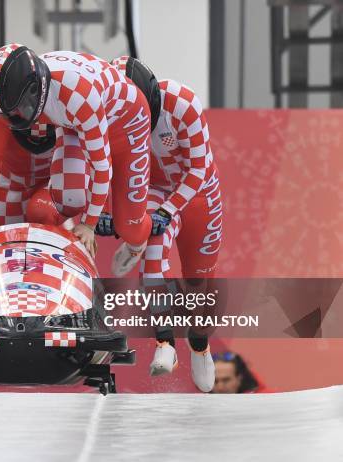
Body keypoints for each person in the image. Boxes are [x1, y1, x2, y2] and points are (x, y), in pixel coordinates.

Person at [100, 56, 224, 392]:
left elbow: (197, 168)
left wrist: (169, 210)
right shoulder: (110, 120)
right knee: (154, 258)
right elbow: (108, 170)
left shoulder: (183, 104)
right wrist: (105, 212)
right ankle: (165, 342)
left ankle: (199, 344)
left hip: (197, 195)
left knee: (199, 285)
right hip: (154, 191)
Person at [0, 44, 153, 259]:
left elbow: (101, 166)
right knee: (57, 203)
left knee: (128, 225)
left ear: (35, 91)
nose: (11, 121)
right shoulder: (4, 102)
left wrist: (88, 225)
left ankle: (138, 243)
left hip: (127, 124)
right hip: (75, 124)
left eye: (17, 111)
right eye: (4, 114)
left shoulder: (77, 97)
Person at [0, 101, 66, 250]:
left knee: (41, 211)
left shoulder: (67, 106)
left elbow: (91, 155)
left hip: (52, 182)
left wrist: (91, 221)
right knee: (7, 247)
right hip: (11, 183)